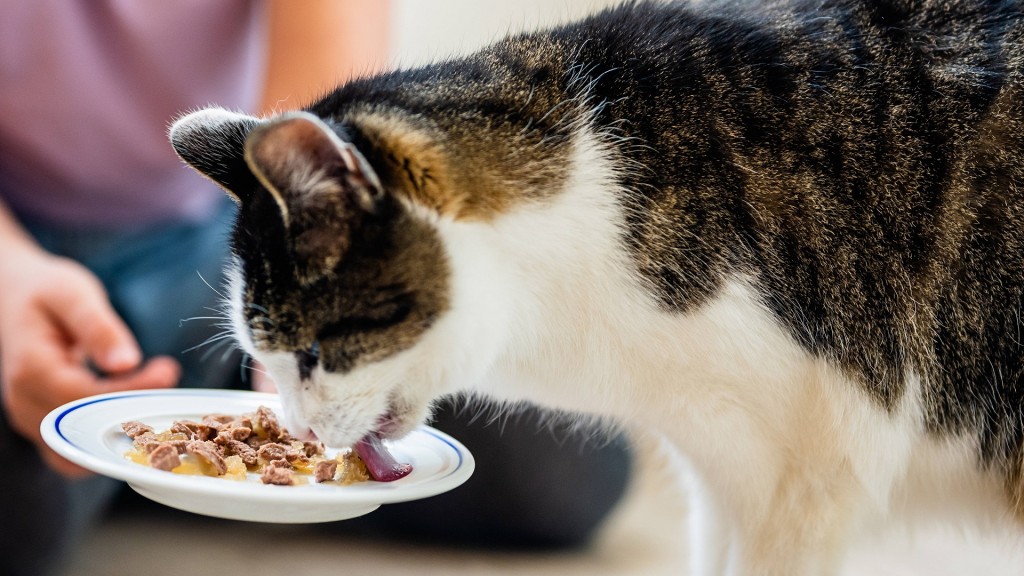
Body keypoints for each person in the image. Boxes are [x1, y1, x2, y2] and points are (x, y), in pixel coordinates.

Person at [0, 2, 632, 575]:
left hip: (232, 242)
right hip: (20, 251)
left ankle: (168, 456)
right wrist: (11, 282)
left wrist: (306, 299)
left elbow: (313, 136)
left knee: (561, 476)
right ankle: (151, 465)